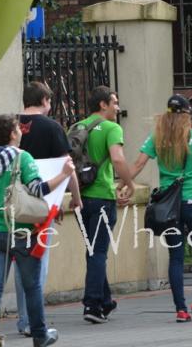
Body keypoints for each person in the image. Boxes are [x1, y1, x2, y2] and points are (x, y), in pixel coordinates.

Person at [0, 114, 75, 347]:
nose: (22, 131)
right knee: (31, 285)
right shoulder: (22, 158)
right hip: (22, 232)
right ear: (13, 134)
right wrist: (64, 174)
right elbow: (37, 190)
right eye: (18, 128)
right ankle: (39, 335)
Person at [119, 94, 192, 322]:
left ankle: (181, 309)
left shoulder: (156, 138)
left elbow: (138, 164)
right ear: (187, 114)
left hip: (169, 205)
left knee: (175, 257)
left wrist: (122, 185)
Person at [14, 81, 82, 336]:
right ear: (44, 100)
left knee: (21, 262)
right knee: (38, 261)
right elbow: (68, 167)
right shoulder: (52, 127)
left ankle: (24, 320)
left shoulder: (10, 126)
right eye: (49, 100)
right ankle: (35, 321)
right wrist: (75, 198)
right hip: (42, 204)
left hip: (14, 205)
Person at [77, 86, 135, 324]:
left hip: (81, 198)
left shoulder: (77, 127)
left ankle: (105, 301)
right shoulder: (112, 128)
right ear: (103, 104)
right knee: (99, 252)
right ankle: (92, 304)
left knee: (93, 251)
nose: (117, 107)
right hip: (102, 196)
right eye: (114, 102)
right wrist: (128, 183)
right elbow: (118, 158)